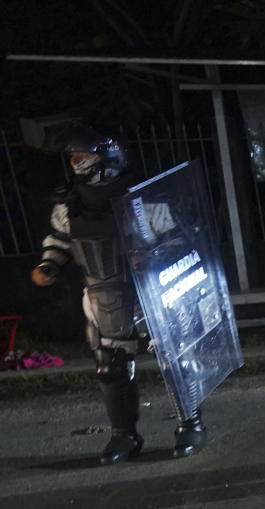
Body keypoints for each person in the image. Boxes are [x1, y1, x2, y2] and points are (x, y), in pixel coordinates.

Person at [31, 125, 208, 464]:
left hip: (150, 294)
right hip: (101, 295)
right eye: (73, 158)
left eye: (82, 157)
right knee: (110, 367)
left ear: (105, 159)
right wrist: (49, 265)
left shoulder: (143, 197)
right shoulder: (70, 205)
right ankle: (124, 435)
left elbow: (179, 240)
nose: (75, 163)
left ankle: (191, 425)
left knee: (174, 361)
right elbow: (59, 240)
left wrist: (152, 255)